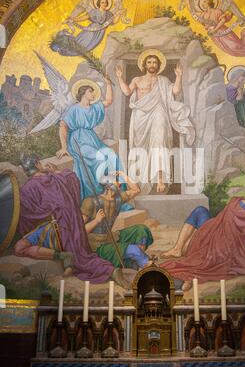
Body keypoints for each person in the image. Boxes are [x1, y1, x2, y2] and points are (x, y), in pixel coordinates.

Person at [15, 154, 131, 288]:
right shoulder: (56, 177)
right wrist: (55, 170)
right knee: (82, 256)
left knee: (20, 247)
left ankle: (63, 256)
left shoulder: (26, 189)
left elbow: (26, 217)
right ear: (37, 164)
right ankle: (67, 257)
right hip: (73, 226)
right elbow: (72, 178)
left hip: (54, 230)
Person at [160, 178, 245, 290]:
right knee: (201, 212)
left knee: (199, 212)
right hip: (223, 243)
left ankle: (182, 258)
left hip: (217, 241)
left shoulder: (235, 201)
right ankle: (178, 252)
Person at [116, 50, 195, 193]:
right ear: (145, 64)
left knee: (160, 143)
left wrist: (179, 76)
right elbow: (127, 92)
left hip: (159, 111)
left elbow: (176, 92)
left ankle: (160, 180)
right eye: (149, 62)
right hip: (140, 117)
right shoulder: (137, 80)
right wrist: (120, 78)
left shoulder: (163, 80)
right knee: (141, 149)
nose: (152, 65)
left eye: (154, 62)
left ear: (158, 65)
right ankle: (140, 183)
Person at [56, 79, 125, 200]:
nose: (93, 94)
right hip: (78, 140)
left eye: (93, 92)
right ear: (83, 93)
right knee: (100, 158)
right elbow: (63, 126)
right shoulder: (74, 109)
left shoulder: (94, 107)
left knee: (112, 156)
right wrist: (63, 147)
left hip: (92, 139)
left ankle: (115, 191)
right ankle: (101, 191)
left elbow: (108, 101)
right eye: (90, 91)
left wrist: (109, 83)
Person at [80, 171, 153, 269]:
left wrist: (123, 174)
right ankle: (144, 262)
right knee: (134, 250)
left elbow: (136, 190)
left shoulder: (118, 199)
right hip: (96, 246)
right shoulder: (91, 201)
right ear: (109, 186)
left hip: (110, 238)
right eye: (116, 182)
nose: (119, 184)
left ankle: (138, 259)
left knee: (142, 230)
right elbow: (80, 230)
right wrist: (96, 221)